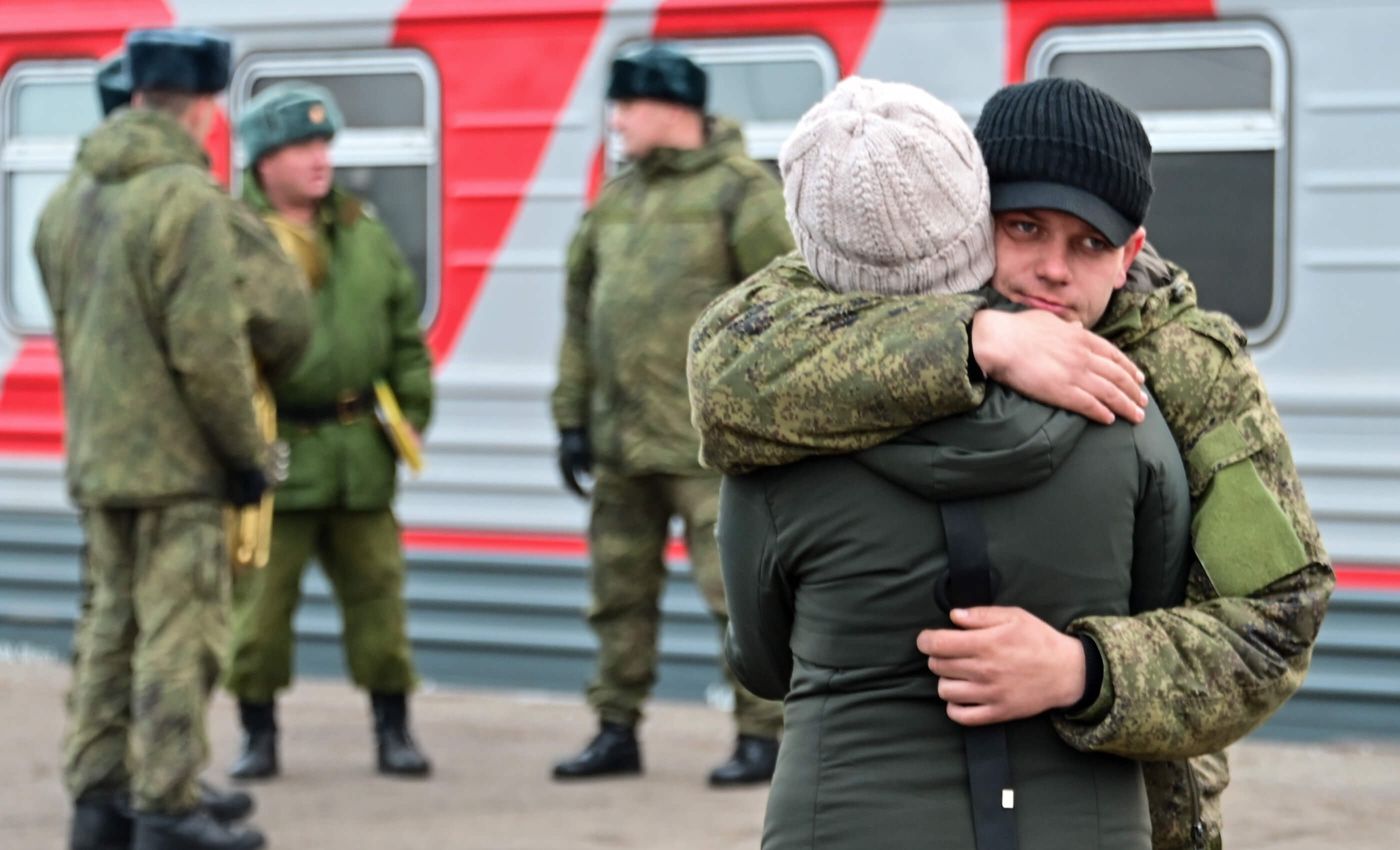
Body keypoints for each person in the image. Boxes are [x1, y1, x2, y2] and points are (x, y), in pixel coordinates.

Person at [689, 76, 1332, 849]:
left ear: (1130, 252)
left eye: (1089, 243)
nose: (1053, 268)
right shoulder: (894, 294)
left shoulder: (1189, 371)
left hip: (1141, 815)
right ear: (970, 218)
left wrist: (1086, 671)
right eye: (1023, 227)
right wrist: (970, 341)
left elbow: (1277, 619)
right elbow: (726, 372)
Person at [36, 28, 298, 850]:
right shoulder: (184, 199)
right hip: (181, 469)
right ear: (205, 109)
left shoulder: (66, 201)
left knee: (108, 632)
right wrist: (246, 458)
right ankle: (168, 805)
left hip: (99, 461)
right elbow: (208, 352)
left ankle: (98, 798)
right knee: (179, 638)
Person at [549, 45, 794, 785]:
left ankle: (762, 735)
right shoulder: (615, 201)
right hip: (624, 443)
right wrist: (570, 418)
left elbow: (783, 308)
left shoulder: (742, 193)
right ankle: (615, 728)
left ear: (671, 109)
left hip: (707, 447)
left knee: (738, 598)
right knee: (617, 597)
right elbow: (579, 317)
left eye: (627, 106)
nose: (617, 122)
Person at [223, 82, 435, 781]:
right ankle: (258, 736)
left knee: (380, 603)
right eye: (302, 146)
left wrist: (412, 414)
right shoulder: (235, 238)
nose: (321, 159)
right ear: (263, 161)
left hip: (358, 453)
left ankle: (393, 730)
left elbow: (403, 337)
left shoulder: (363, 233)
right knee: (258, 615)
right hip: (275, 455)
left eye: (325, 144)